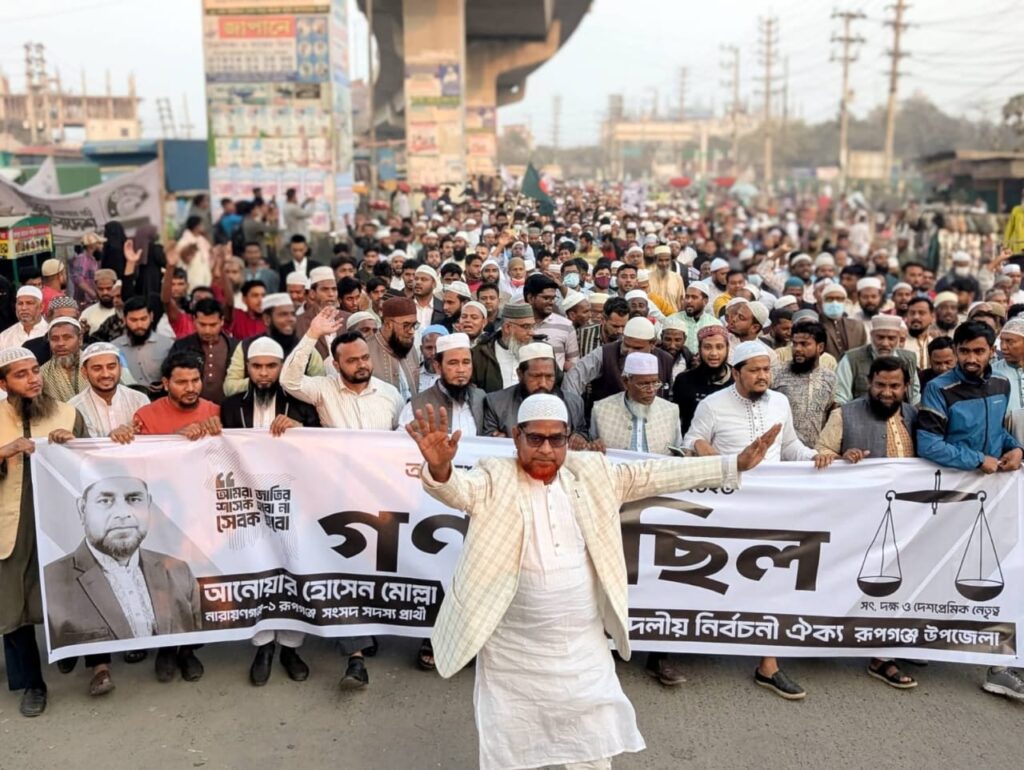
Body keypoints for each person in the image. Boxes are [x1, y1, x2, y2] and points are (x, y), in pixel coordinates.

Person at [406, 394, 778, 770]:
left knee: (592, 745)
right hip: (513, 650)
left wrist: (734, 463)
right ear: (516, 437)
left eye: (556, 439)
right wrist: (440, 470)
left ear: (568, 438)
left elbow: (657, 474)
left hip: (582, 646)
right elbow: (458, 490)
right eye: (535, 439)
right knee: (512, 745)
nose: (546, 450)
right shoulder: (494, 475)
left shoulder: (593, 473)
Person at [684, 340, 827, 701]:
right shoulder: (712, 404)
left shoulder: (779, 402)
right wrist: (726, 464)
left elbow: (791, 447)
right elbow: (691, 441)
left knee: (773, 582)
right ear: (736, 373)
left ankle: (768, 664)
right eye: (755, 370)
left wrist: (818, 457)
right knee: (706, 577)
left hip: (774, 508)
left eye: (767, 369)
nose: (764, 376)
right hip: (726, 509)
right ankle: (670, 645)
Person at [281, 310, 402, 688]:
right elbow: (289, 379)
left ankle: (367, 631)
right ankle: (355, 657)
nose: (362, 365)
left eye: (365, 358)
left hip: (382, 500)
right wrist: (312, 334)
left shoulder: (391, 396)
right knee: (342, 573)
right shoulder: (323, 389)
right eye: (352, 360)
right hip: (335, 500)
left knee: (372, 573)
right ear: (336, 364)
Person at [916, 321, 1024, 702]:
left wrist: (1015, 449)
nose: (972, 359)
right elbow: (928, 443)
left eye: (980, 351)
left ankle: (999, 667)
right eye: (966, 352)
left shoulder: (1001, 385)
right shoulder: (939, 388)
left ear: (991, 350)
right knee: (938, 568)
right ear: (957, 351)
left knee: (997, 571)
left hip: (994, 495)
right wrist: (977, 459)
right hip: (952, 493)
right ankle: (916, 641)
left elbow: (998, 432)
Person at [219, 336, 318, 685]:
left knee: (292, 570)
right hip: (247, 502)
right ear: (247, 368)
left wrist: (301, 431)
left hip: (292, 502)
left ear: (281, 368)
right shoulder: (231, 406)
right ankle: (263, 644)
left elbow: (324, 449)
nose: (263, 374)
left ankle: (291, 645)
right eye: (257, 366)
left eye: (270, 367)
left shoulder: (300, 405)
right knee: (257, 571)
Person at [0, 347, 85, 716]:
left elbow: (91, 469)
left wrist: (73, 446)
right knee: (13, 606)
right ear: (4, 384)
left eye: (35, 370)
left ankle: (70, 651)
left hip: (58, 520)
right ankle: (32, 684)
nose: (33, 378)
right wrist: (6, 451)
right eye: (21, 374)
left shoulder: (67, 413)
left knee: (65, 590)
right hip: (10, 524)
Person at [44, 475, 204, 647]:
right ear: (82, 509)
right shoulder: (53, 580)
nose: (123, 514)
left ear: (148, 504)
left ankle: (177, 656)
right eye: (105, 501)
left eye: (134, 499)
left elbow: (193, 622)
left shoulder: (178, 569)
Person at [481, 342, 589, 447]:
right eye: (535, 376)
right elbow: (487, 441)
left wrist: (579, 438)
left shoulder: (574, 403)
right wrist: (496, 441)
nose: (543, 383)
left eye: (549, 376)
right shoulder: (496, 403)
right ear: (520, 374)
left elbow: (582, 433)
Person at [565, 317, 675, 408]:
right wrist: (575, 417)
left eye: (637, 348)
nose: (630, 352)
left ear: (652, 344)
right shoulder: (604, 353)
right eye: (627, 345)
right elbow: (574, 380)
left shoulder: (666, 360)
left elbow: (669, 397)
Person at [591, 352, 681, 454]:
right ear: (626, 382)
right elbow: (592, 450)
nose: (651, 390)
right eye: (643, 384)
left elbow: (678, 452)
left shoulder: (670, 411)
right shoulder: (601, 410)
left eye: (655, 383)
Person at [399, 333, 484, 436]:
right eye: (453, 363)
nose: (461, 370)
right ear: (438, 367)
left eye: (466, 362)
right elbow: (400, 445)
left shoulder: (482, 399)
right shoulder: (416, 406)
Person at [770, 321, 837, 447]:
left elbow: (828, 413)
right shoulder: (776, 373)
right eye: (794, 344)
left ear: (820, 347)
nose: (797, 349)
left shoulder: (830, 377)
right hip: (781, 452)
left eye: (804, 344)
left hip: (814, 456)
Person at [69, 343, 150, 439]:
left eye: (111, 367)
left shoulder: (139, 400)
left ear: (120, 368)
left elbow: (150, 440)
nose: (105, 374)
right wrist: (109, 439)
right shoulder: (74, 408)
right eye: (97, 368)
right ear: (84, 372)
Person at [834, 315, 920, 406]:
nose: (885, 343)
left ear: (899, 338)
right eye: (880, 337)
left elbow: (914, 397)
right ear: (871, 336)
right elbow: (841, 398)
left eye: (891, 338)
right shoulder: (851, 359)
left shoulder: (909, 359)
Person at [168, 298, 238, 404]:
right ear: (194, 320)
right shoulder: (182, 346)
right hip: (189, 409)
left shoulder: (235, 347)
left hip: (227, 410)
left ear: (222, 321)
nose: (207, 330)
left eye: (213, 325)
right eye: (202, 325)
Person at [672, 325, 733, 436]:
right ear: (699, 349)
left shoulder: (738, 379)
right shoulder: (684, 380)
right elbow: (676, 421)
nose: (714, 353)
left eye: (719, 347)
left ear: (727, 348)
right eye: (707, 347)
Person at [113, 297, 174, 397]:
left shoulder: (167, 345)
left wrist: (166, 383)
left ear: (151, 316)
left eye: (143, 319)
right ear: (124, 319)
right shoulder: (114, 348)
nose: (139, 325)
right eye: (133, 320)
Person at [471, 303, 538, 393]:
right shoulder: (480, 355)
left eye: (533, 326)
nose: (532, 332)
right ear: (507, 327)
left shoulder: (540, 352)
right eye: (526, 327)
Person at [368, 297, 421, 401]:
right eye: (406, 325)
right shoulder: (366, 350)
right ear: (388, 324)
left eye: (414, 325)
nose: (411, 331)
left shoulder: (408, 345)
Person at [524, 274, 578, 370]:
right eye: (546, 298)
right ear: (530, 298)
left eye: (553, 298)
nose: (551, 302)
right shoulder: (516, 326)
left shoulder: (566, 326)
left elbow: (572, 364)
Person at [39, 317, 88, 402]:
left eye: (67, 338)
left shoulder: (96, 366)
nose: (60, 343)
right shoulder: (43, 373)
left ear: (80, 339)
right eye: (54, 339)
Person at [818, 283, 867, 361]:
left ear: (845, 301)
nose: (835, 303)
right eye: (829, 299)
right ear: (823, 301)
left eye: (839, 299)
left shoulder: (857, 326)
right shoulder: (816, 325)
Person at [79, 269, 120, 334]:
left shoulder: (125, 311)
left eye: (109, 288)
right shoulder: (87, 314)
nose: (105, 293)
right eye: (101, 289)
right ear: (95, 288)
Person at [902, 296, 936, 369]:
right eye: (912, 313)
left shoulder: (935, 342)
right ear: (906, 316)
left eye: (921, 313)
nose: (916, 317)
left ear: (932, 317)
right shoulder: (900, 342)